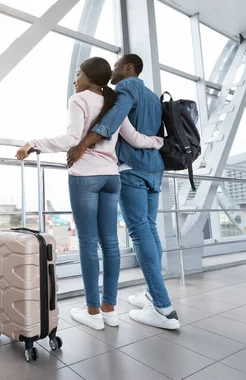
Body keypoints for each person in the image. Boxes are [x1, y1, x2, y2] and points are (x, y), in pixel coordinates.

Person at [16, 57, 163, 331]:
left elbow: (73, 140)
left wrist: (33, 143)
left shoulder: (79, 99)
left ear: (89, 78)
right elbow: (135, 139)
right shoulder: (113, 102)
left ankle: (93, 311)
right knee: (110, 243)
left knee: (87, 242)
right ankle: (110, 310)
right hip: (112, 177)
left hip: (85, 177)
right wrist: (159, 141)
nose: (75, 79)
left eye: (78, 74)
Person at [67, 54, 180, 330]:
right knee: (150, 230)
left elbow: (115, 119)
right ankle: (153, 294)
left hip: (133, 169)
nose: (113, 71)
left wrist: (84, 144)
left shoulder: (127, 88)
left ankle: (163, 308)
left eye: (116, 66)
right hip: (154, 168)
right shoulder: (153, 95)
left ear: (129, 67)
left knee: (139, 232)